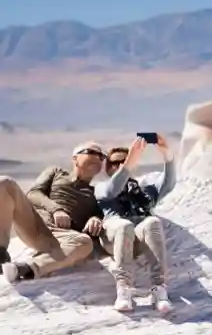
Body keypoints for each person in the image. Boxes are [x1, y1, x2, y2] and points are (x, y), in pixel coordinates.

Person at [1, 142, 106, 284]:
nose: (98, 158)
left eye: (102, 157)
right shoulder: (56, 172)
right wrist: (56, 209)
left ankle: (26, 269)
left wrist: (96, 219)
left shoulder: (96, 193)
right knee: (5, 183)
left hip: (61, 239)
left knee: (84, 243)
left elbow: (102, 215)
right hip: (35, 225)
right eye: (92, 152)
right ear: (75, 158)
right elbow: (33, 193)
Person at [96, 134, 177, 313]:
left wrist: (167, 155)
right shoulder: (102, 187)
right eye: (115, 163)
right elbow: (113, 189)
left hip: (138, 238)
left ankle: (159, 289)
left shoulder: (142, 190)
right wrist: (129, 164)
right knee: (124, 226)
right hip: (114, 237)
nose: (120, 166)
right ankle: (124, 289)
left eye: (124, 162)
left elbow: (168, 184)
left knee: (152, 222)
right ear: (107, 168)